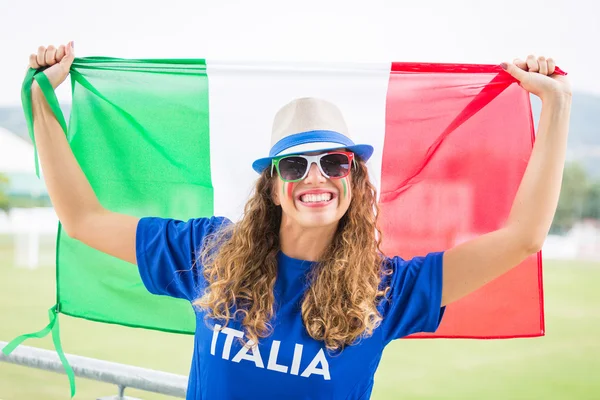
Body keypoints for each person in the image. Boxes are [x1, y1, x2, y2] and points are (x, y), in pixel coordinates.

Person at [28, 41, 571, 400]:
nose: (317, 177)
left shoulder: (390, 289)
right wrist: (39, 101)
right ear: (273, 188)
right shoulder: (209, 251)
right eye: (295, 164)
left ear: (355, 181)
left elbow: (523, 239)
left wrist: (557, 105)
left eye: (335, 162)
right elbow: (82, 218)